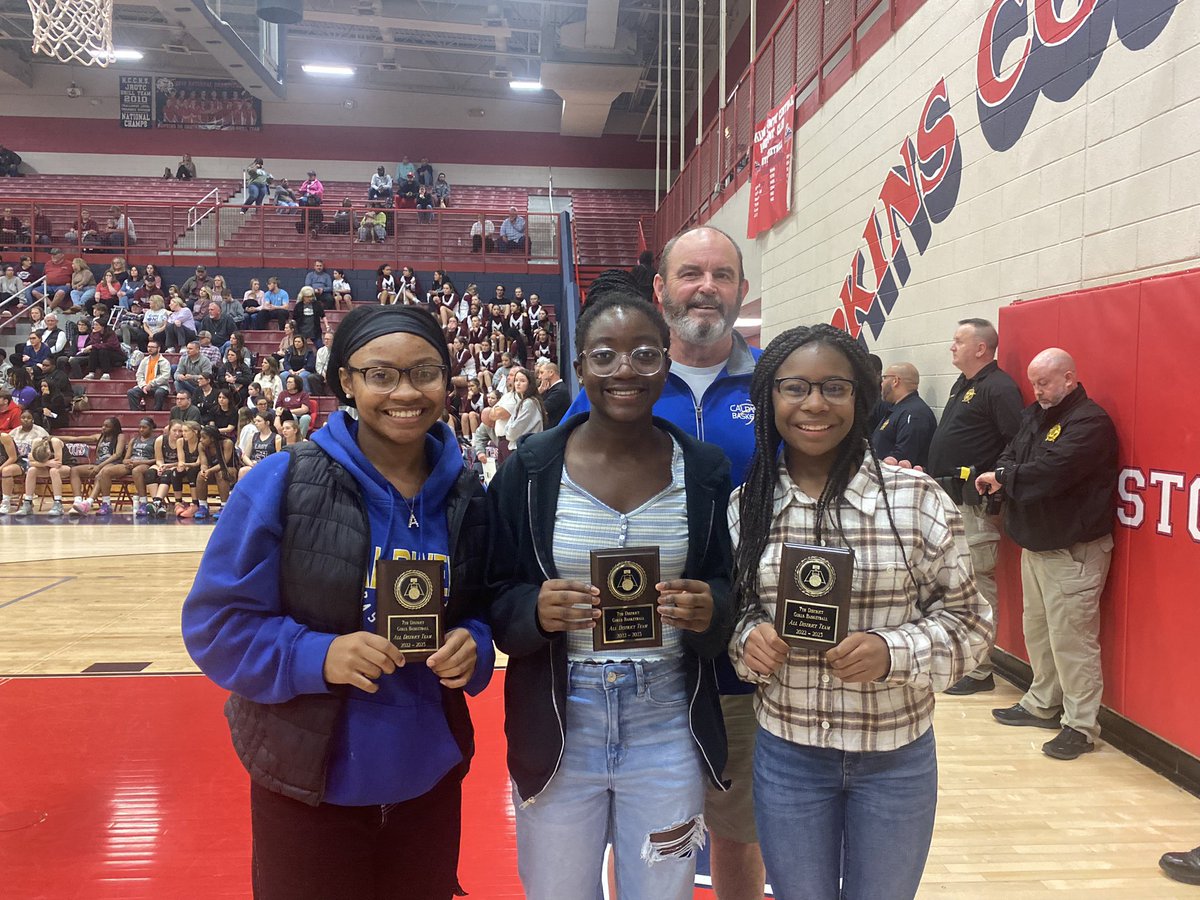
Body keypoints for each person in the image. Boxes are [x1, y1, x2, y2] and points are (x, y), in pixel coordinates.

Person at [182, 303, 494, 900]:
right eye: (381, 374)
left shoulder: (467, 495)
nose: (405, 391)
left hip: (428, 780)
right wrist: (315, 656)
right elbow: (214, 626)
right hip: (308, 783)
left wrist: (473, 646)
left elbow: (482, 609)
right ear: (346, 380)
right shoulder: (280, 481)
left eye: (425, 372)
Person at [729, 323, 993, 900]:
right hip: (789, 755)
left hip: (893, 757)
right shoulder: (749, 504)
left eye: (835, 388)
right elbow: (741, 612)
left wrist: (892, 651)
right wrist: (749, 640)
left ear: (862, 398)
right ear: (769, 397)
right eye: (794, 387)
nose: (814, 404)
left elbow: (972, 627)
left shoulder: (916, 499)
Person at [487, 290, 733, 899]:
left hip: (666, 717)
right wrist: (532, 609)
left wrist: (710, 608)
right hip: (562, 715)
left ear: (667, 365)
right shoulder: (532, 468)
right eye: (605, 355)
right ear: (580, 369)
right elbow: (490, 590)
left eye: (645, 354)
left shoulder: (701, 469)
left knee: (662, 889)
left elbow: (729, 582)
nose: (625, 369)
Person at [564, 230, 765, 899]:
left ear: (740, 287)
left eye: (722, 273)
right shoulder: (614, 379)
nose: (706, 286)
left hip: (741, 657)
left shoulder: (776, 384)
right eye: (690, 273)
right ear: (661, 288)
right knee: (644, 836)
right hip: (639, 664)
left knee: (740, 832)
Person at [976, 348, 1118, 761]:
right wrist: (1003, 472)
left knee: (1072, 640)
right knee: (1038, 631)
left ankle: (1081, 726)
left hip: (1072, 551)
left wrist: (1003, 477)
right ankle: (1042, 703)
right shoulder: (1034, 416)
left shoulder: (1090, 422)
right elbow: (1011, 454)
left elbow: (1052, 472)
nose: (1037, 390)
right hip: (1035, 546)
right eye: (1034, 382)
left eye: (1045, 382)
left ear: (1070, 378)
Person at [927, 318, 1025, 697]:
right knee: (956, 581)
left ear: (981, 348)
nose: (952, 347)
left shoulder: (999, 388)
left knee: (977, 584)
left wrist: (993, 480)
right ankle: (967, 659)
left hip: (975, 503)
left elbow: (1015, 441)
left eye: (958, 341)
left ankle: (982, 667)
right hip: (950, 498)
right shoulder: (964, 385)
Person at [870, 362, 937, 468]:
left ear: (895, 381)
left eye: (884, 378)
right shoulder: (899, 409)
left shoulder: (914, 414)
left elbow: (903, 456)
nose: (881, 384)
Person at [69, 417, 126, 515]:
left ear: (114, 428)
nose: (103, 428)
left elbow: (117, 454)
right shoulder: (99, 436)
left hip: (113, 464)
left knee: (101, 473)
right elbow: (75, 439)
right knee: (74, 470)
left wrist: (99, 467)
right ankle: (78, 501)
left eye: (107, 426)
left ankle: (88, 503)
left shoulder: (120, 436)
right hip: (98, 464)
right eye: (103, 425)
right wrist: (54, 437)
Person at [14, 433, 77, 517]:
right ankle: (27, 502)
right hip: (48, 467)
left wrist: (42, 463)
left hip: (66, 465)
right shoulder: (35, 442)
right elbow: (31, 463)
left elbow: (58, 464)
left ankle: (58, 503)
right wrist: (47, 463)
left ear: (49, 452)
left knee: (54, 471)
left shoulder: (55, 442)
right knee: (31, 470)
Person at [194, 425, 237, 520]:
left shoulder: (227, 443)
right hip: (212, 471)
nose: (201, 440)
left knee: (221, 473)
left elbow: (223, 463)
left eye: (204, 437)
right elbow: (204, 462)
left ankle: (224, 506)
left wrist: (209, 470)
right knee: (200, 475)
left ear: (212, 438)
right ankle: (203, 506)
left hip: (230, 470)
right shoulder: (201, 445)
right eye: (200, 437)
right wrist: (204, 470)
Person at [535, 361, 569, 428]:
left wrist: (537, 393)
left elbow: (540, 409)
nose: (539, 376)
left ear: (551, 373)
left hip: (555, 431)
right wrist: (539, 392)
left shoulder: (559, 391)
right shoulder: (549, 389)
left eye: (542, 373)